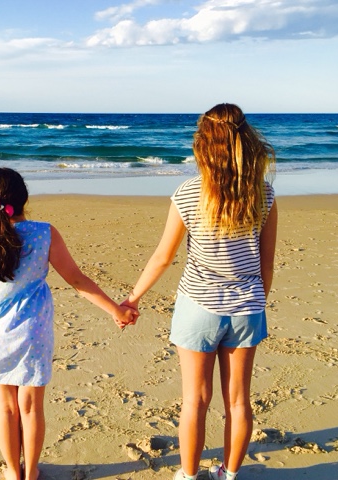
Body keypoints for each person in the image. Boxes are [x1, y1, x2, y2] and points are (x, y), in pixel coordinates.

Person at [0, 167, 135, 480]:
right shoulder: (45, 233)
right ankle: (31, 471)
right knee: (31, 407)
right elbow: (77, 280)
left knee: (6, 407)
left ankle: (12, 471)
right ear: (25, 199)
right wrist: (115, 309)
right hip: (33, 332)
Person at [121, 104, 278, 480]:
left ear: (204, 146)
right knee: (238, 400)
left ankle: (189, 475)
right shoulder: (263, 194)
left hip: (199, 308)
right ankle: (228, 474)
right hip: (247, 309)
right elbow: (267, 264)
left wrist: (132, 299)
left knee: (195, 400)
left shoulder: (189, 193)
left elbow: (163, 257)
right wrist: (256, 302)